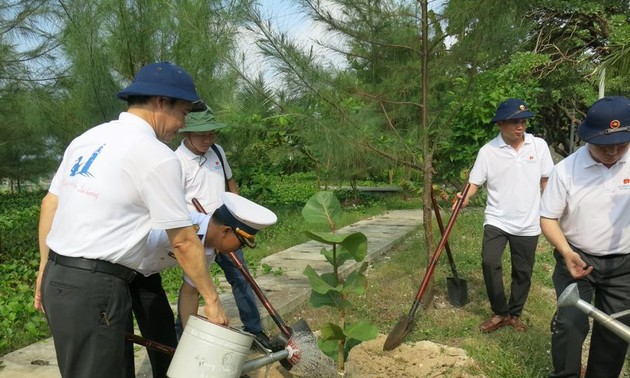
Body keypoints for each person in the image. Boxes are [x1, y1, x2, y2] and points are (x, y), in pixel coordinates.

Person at [34, 62, 228, 378]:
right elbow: (181, 240)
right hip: (96, 287)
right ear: (161, 102)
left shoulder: (88, 138)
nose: (182, 123)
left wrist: (44, 267)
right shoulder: (156, 154)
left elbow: (50, 204)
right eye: (183, 112)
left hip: (60, 277)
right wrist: (212, 300)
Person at [541, 96, 630, 378]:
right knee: (570, 325)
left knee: (615, 329)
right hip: (578, 260)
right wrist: (566, 252)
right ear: (588, 137)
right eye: (605, 145)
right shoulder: (566, 170)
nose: (614, 151)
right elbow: (548, 218)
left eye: (622, 143)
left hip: (624, 267)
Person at [174, 107, 273, 349]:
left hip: (227, 231)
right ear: (187, 134)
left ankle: (255, 331)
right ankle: (182, 336)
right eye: (202, 136)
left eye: (212, 134)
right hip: (198, 235)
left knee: (242, 278)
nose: (208, 140)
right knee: (195, 285)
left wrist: (239, 215)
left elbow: (230, 183)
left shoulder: (216, 151)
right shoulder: (176, 162)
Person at [457, 98, 554, 333]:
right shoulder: (488, 151)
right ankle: (500, 312)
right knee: (490, 262)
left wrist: (553, 208)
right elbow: (474, 182)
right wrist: (465, 197)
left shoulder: (538, 146)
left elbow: (546, 180)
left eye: (523, 121)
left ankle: (514, 313)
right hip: (497, 219)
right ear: (500, 124)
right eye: (513, 121)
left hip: (528, 221)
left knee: (523, 271)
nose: (520, 126)